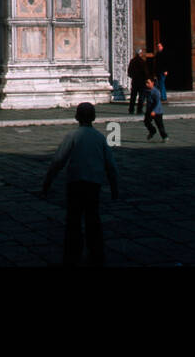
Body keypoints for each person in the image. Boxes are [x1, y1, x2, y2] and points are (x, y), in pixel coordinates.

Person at [41, 102, 118, 266]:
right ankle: (96, 252)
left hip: (75, 183)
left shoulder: (72, 136)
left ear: (76, 117)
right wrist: (114, 187)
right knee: (93, 218)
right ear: (94, 118)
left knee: (73, 220)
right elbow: (111, 165)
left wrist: (48, 181)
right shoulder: (100, 138)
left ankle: (73, 253)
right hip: (93, 184)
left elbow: (58, 161)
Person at [143, 76, 168, 141]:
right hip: (149, 110)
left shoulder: (156, 92)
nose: (146, 84)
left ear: (152, 83)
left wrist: (154, 111)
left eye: (148, 83)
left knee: (160, 125)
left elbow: (158, 103)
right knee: (146, 122)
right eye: (146, 83)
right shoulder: (146, 90)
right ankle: (152, 131)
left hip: (157, 111)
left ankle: (164, 137)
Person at [127, 48, 148, 115]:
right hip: (141, 81)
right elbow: (145, 72)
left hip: (134, 81)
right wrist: (147, 79)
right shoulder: (142, 61)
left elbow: (129, 72)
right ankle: (139, 110)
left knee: (133, 96)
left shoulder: (132, 61)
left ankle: (131, 109)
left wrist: (133, 76)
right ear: (140, 54)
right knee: (141, 96)